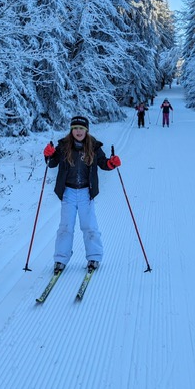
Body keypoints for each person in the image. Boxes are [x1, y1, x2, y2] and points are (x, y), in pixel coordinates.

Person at [43, 115, 121, 274]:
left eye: (81, 129)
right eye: (75, 128)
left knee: (90, 226)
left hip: (86, 192)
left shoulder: (94, 147)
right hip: (68, 192)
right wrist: (48, 154)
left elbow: (103, 163)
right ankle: (60, 259)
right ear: (71, 130)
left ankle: (94, 257)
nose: (78, 131)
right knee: (65, 227)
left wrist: (112, 163)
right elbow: (51, 163)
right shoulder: (63, 146)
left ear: (86, 130)